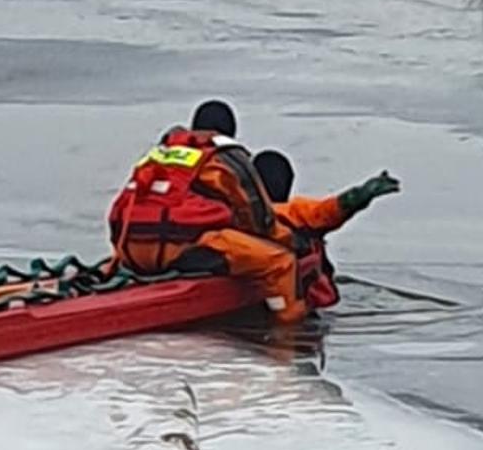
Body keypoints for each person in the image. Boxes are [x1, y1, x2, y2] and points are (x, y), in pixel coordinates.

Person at [108, 100, 309, 323]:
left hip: (131, 251)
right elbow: (261, 223)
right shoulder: (226, 157)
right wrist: (297, 243)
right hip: (184, 252)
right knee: (282, 263)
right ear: (231, 132)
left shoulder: (161, 153)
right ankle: (289, 335)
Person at [251, 149, 399, 308]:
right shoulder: (299, 213)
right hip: (304, 299)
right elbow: (331, 211)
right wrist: (360, 195)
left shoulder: (239, 213)